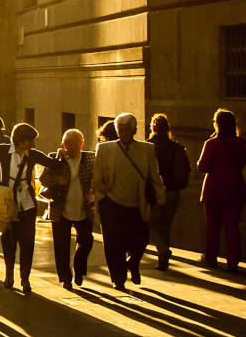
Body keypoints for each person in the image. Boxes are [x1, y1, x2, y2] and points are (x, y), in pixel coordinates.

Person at [0, 123, 63, 293]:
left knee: (27, 243)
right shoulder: (3, 151)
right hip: (7, 203)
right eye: (31, 140)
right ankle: (9, 275)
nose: (34, 144)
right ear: (20, 141)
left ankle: (25, 278)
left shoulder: (33, 154)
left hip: (27, 204)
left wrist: (62, 153)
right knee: (8, 241)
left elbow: (53, 164)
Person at [93, 113, 166, 291]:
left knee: (140, 241)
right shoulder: (104, 149)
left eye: (128, 130)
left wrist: (161, 196)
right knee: (112, 245)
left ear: (134, 130)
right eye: (121, 130)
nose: (124, 133)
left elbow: (154, 177)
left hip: (137, 205)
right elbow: (97, 178)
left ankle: (133, 264)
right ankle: (118, 279)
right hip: (112, 204)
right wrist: (101, 197)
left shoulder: (147, 149)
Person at [39, 129, 96, 289]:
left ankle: (78, 267)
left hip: (84, 208)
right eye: (68, 144)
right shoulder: (56, 158)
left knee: (86, 241)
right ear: (63, 145)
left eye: (75, 144)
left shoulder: (90, 158)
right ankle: (65, 278)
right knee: (61, 246)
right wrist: (57, 179)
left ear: (82, 144)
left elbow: (99, 174)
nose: (72, 147)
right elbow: (43, 179)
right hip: (60, 209)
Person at [196, 109, 246, 271]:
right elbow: (242, 163)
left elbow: (202, 166)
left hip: (214, 191)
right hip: (235, 190)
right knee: (232, 226)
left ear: (217, 125)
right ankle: (233, 261)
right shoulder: (240, 143)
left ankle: (211, 258)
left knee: (213, 226)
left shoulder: (211, 144)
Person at [148, 114, 191, 270]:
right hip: (174, 192)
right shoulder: (176, 147)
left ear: (152, 128)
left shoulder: (148, 146)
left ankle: (163, 250)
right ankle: (162, 262)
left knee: (150, 225)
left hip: (155, 192)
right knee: (165, 226)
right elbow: (187, 168)